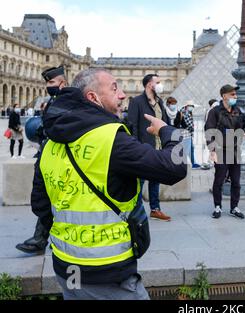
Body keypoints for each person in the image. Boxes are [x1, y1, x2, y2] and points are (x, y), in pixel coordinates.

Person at [31, 68, 186, 300]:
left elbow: (40, 206)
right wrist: (167, 131)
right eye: (115, 88)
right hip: (107, 272)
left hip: (66, 268)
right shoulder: (110, 139)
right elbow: (175, 166)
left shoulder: (50, 144)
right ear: (93, 98)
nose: (123, 94)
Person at [16, 66, 68, 255]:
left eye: (51, 82)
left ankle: (42, 239)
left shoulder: (67, 102)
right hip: (47, 154)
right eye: (47, 82)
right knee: (43, 198)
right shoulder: (54, 101)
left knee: (49, 199)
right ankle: (40, 238)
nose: (48, 86)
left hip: (58, 158)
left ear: (62, 83)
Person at [128, 74, 172, 222]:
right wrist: (134, 147)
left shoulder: (159, 102)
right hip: (143, 147)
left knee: (155, 179)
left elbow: (165, 123)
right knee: (138, 182)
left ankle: (155, 209)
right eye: (158, 82)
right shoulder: (136, 101)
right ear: (149, 85)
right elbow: (132, 125)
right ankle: (136, 212)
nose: (161, 84)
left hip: (159, 147)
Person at [205, 84, 245, 220]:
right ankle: (217, 206)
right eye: (232, 94)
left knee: (236, 181)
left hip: (235, 149)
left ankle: (234, 207)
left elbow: (242, 126)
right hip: (220, 149)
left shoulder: (237, 110)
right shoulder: (215, 112)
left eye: (235, 94)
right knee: (219, 180)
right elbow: (209, 130)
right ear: (224, 96)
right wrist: (212, 150)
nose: (235, 97)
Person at [175, 101, 200, 169]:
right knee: (186, 149)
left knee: (191, 148)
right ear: (187, 106)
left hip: (188, 133)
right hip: (185, 134)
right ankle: (185, 164)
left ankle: (193, 163)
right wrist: (191, 129)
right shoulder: (184, 112)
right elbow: (187, 124)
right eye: (191, 106)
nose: (192, 107)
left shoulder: (187, 112)